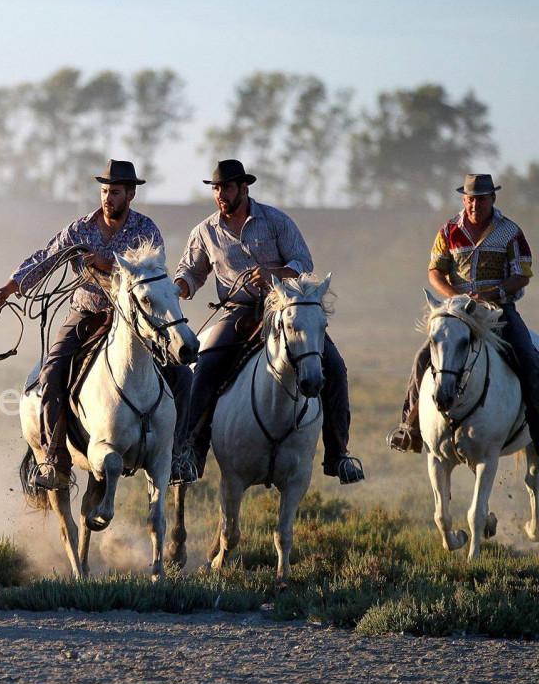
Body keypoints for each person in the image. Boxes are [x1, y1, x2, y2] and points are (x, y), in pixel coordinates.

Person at [0, 159, 192, 490]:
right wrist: (11, 287)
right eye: (105, 191)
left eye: (116, 192)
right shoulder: (80, 229)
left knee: (182, 375)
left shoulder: (146, 231)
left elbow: (152, 275)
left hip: (136, 319)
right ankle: (55, 457)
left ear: (131, 194)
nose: (108, 198)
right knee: (51, 373)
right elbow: (46, 257)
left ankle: (178, 453)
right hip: (87, 312)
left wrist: (104, 263)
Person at [174, 159, 363, 484]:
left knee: (334, 367)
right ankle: (190, 453)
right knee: (204, 368)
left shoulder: (276, 221)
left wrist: (275, 274)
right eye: (216, 188)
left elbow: (303, 262)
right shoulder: (205, 231)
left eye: (227, 187)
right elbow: (190, 272)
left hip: (287, 310)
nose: (220, 194)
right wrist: (175, 290)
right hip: (238, 313)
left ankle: (338, 455)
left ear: (244, 188)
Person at [387, 173, 538, 453]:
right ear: (463, 200)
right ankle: (408, 427)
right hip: (458, 312)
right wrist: (454, 297)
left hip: (498, 310)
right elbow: (435, 271)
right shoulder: (448, 231)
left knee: (528, 357)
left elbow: (522, 274)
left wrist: (493, 294)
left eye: (481, 200)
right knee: (423, 358)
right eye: (470, 200)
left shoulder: (510, 232)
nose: (475, 206)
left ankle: (537, 427)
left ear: (492, 199)